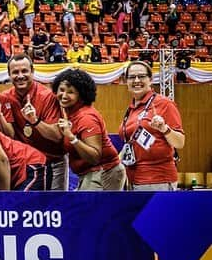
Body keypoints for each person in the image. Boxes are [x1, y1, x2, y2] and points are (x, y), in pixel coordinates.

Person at [0, 54, 66, 190]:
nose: (20, 76)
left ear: (33, 71)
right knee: (28, 208)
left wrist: (35, 121)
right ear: (9, 74)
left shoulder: (48, 96)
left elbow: (57, 136)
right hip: (25, 164)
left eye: (24, 71)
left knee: (54, 208)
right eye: (15, 72)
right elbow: (10, 135)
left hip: (53, 162)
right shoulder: (5, 97)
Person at [52, 69, 126, 190]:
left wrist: (71, 137)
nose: (64, 95)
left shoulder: (86, 117)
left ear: (81, 95)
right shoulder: (71, 113)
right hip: (90, 173)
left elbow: (94, 157)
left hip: (102, 172)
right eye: (61, 90)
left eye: (71, 92)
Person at [121, 61, 185, 190]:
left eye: (141, 76)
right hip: (133, 179)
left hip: (157, 179)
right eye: (132, 77)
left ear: (150, 80)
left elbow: (180, 142)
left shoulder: (164, 104)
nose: (137, 80)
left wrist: (164, 129)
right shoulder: (132, 108)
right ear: (126, 81)